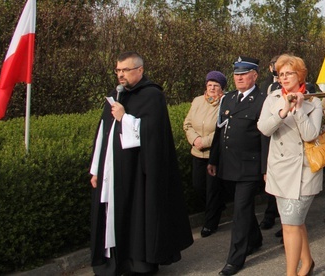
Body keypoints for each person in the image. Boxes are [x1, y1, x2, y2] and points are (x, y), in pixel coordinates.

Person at [89, 51, 192, 275]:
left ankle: (138, 261)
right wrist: (95, 168)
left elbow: (153, 134)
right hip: (112, 171)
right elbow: (103, 134)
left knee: (138, 217)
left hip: (138, 173)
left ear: (140, 70)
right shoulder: (115, 95)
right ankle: (113, 261)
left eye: (125, 70)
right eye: (118, 70)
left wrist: (124, 118)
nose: (120, 75)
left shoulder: (152, 95)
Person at [258, 55, 323, 276]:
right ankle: (307, 263)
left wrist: (299, 110)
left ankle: (290, 273)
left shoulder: (314, 101)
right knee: (294, 222)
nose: (284, 78)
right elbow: (264, 129)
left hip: (303, 172)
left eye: (289, 73)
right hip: (279, 170)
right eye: (281, 74)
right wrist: (283, 111)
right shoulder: (273, 98)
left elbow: (311, 134)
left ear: (300, 75)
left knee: (290, 225)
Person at [208, 57, 269, 276]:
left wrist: (265, 169)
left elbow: (264, 138)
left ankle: (235, 258)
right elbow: (220, 131)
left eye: (244, 74)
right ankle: (255, 238)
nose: (239, 78)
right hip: (228, 164)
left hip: (249, 167)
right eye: (236, 74)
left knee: (240, 212)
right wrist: (213, 159)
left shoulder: (263, 100)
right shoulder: (228, 99)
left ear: (254, 76)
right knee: (242, 208)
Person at [183, 70, 227, 238]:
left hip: (213, 155)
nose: (212, 89)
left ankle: (210, 223)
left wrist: (205, 141)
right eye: (209, 85)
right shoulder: (197, 101)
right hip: (197, 152)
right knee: (198, 186)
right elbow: (187, 124)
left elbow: (221, 129)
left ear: (222, 88)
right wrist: (195, 140)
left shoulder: (224, 103)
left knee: (212, 191)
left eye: (216, 86)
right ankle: (219, 205)